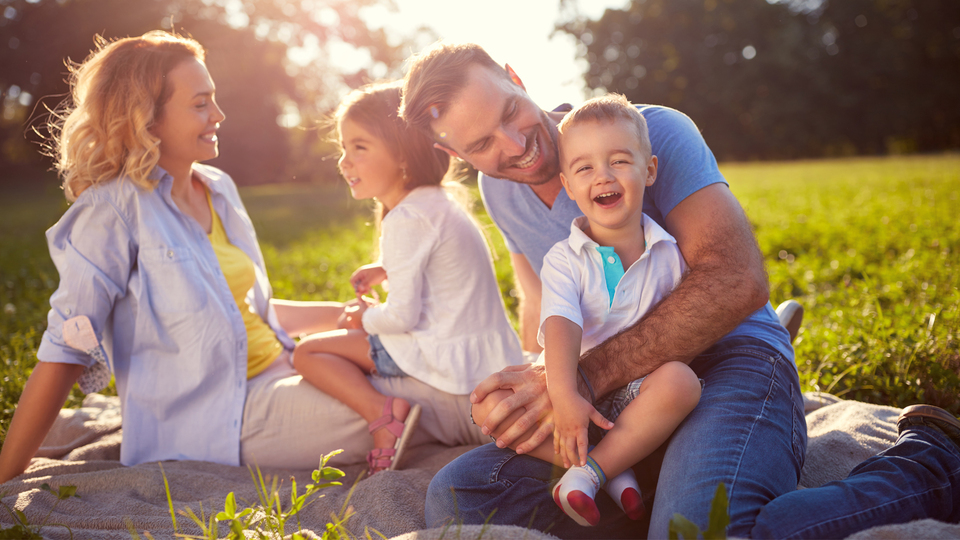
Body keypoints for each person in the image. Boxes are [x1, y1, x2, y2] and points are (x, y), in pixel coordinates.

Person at [400, 41, 960, 538]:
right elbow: (544, 304)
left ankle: (933, 466)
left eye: (510, 111)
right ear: (456, 156)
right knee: (461, 495)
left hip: (728, 356)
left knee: (701, 531)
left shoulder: (651, 132)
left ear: (515, 77)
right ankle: (648, 487)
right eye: (482, 144)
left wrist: (582, 378)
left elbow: (735, 280)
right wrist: (533, 387)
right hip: (620, 398)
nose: (515, 142)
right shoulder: (500, 193)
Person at [0, 32, 494, 485]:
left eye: (213, 99)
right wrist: (7, 476)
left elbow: (244, 313)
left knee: (415, 370)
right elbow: (66, 346)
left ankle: (528, 406)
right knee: (418, 397)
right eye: (200, 103)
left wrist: (351, 319)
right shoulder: (110, 212)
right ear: (146, 117)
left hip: (281, 371)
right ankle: (524, 419)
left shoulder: (216, 188)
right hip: (221, 416)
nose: (218, 115)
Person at [471, 94, 701, 527]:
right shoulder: (564, 258)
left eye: (618, 161)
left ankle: (589, 473)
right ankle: (613, 469)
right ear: (569, 186)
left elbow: (683, 331)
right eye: (585, 169)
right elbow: (560, 325)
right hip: (571, 391)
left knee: (682, 382)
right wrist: (564, 395)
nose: (603, 177)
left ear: (648, 170)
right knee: (490, 406)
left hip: (638, 395)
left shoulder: (669, 252)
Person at [291, 82, 523, 475]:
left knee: (308, 352)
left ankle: (384, 415)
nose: (344, 161)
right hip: (488, 357)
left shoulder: (406, 218)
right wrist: (385, 267)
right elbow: (437, 263)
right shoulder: (438, 202)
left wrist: (362, 318)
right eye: (344, 148)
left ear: (401, 155)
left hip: (448, 364)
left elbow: (401, 318)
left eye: (359, 147)